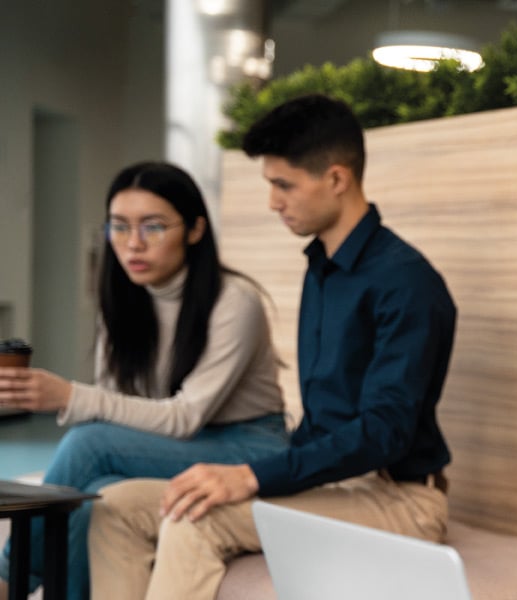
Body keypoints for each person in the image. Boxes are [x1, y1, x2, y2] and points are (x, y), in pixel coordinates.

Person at [86, 94, 458, 600]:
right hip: (333, 485)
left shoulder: (405, 282)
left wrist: (251, 475)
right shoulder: (322, 268)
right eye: (270, 185)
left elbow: (383, 434)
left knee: (197, 520)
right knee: (116, 505)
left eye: (284, 185)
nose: (273, 202)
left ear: (336, 178)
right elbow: (324, 419)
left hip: (400, 497)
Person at [0, 161, 288, 600]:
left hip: (249, 445)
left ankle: (6, 580)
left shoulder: (234, 302)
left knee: (87, 444)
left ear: (194, 230)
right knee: (94, 495)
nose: (133, 243)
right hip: (167, 448)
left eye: (153, 227)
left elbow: (186, 417)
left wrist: (69, 395)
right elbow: (118, 408)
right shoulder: (123, 299)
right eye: (118, 226)